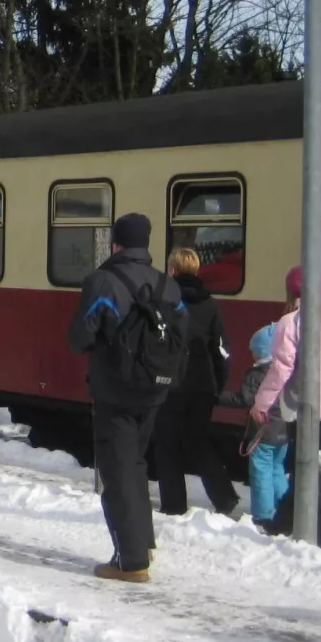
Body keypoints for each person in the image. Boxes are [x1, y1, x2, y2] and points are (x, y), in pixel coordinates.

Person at [66, 213, 187, 584]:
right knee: (135, 464)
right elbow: (182, 335)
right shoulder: (169, 286)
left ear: (116, 243)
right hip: (154, 390)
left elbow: (78, 338)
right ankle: (144, 543)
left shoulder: (102, 281)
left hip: (114, 391)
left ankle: (131, 561)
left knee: (118, 472)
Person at [251, 267, 321, 543]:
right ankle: (283, 521)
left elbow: (281, 368)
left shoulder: (290, 321)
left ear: (291, 291)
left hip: (299, 405)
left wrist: (261, 402)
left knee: (305, 467)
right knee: (303, 464)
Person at [152, 248, 237, 517]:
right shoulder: (211, 304)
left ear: (173, 270)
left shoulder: (164, 302)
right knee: (199, 443)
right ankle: (225, 499)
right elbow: (221, 349)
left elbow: (157, 344)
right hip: (202, 386)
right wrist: (217, 384)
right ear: (197, 270)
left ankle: (174, 506)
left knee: (167, 445)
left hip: (170, 385)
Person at [220, 324, 290, 530]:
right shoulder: (285, 371)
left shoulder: (257, 374)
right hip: (283, 431)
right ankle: (287, 505)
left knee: (260, 472)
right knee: (277, 469)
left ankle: (263, 514)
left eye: (253, 350)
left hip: (263, 432)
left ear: (261, 351)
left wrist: (218, 397)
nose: (251, 354)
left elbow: (244, 398)